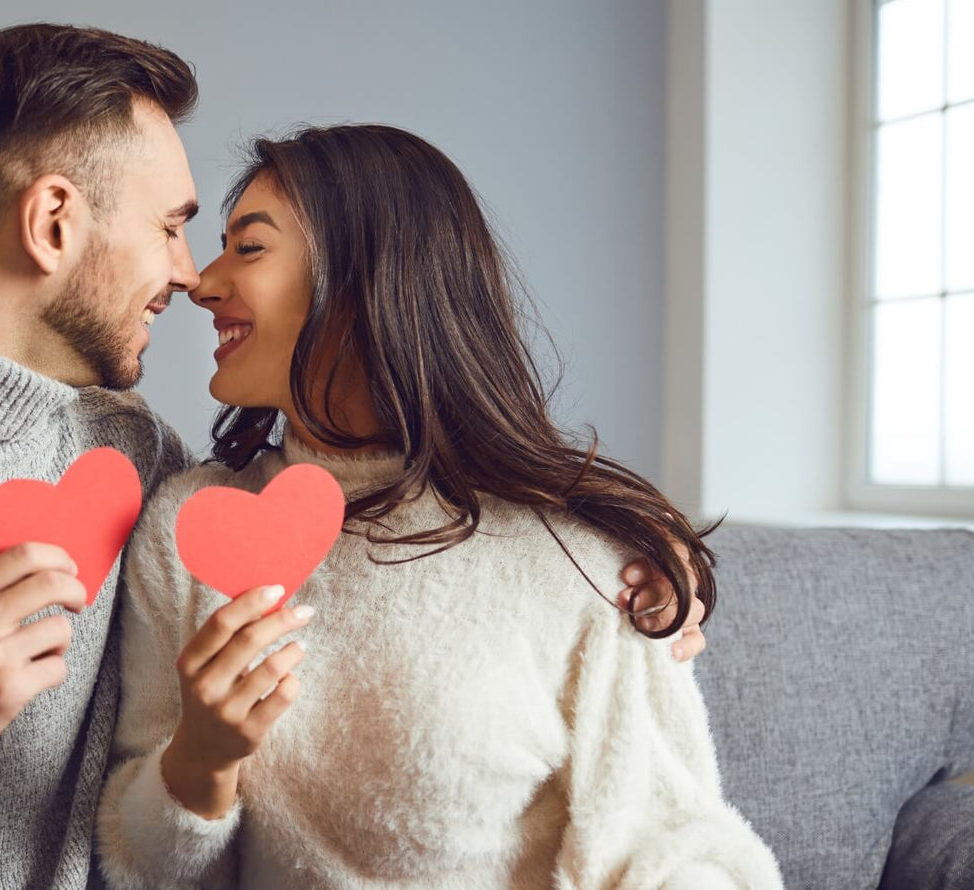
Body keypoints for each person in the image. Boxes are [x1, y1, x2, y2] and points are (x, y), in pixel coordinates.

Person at [0, 24, 704, 889]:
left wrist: (650, 562)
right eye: (171, 225)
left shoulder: (141, 463)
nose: (191, 274)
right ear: (54, 223)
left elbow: (371, 496)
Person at [96, 125, 777, 889]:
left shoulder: (590, 564)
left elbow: (677, 847)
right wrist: (199, 763)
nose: (202, 282)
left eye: (248, 249)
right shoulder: (191, 529)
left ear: (366, 283)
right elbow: (135, 864)